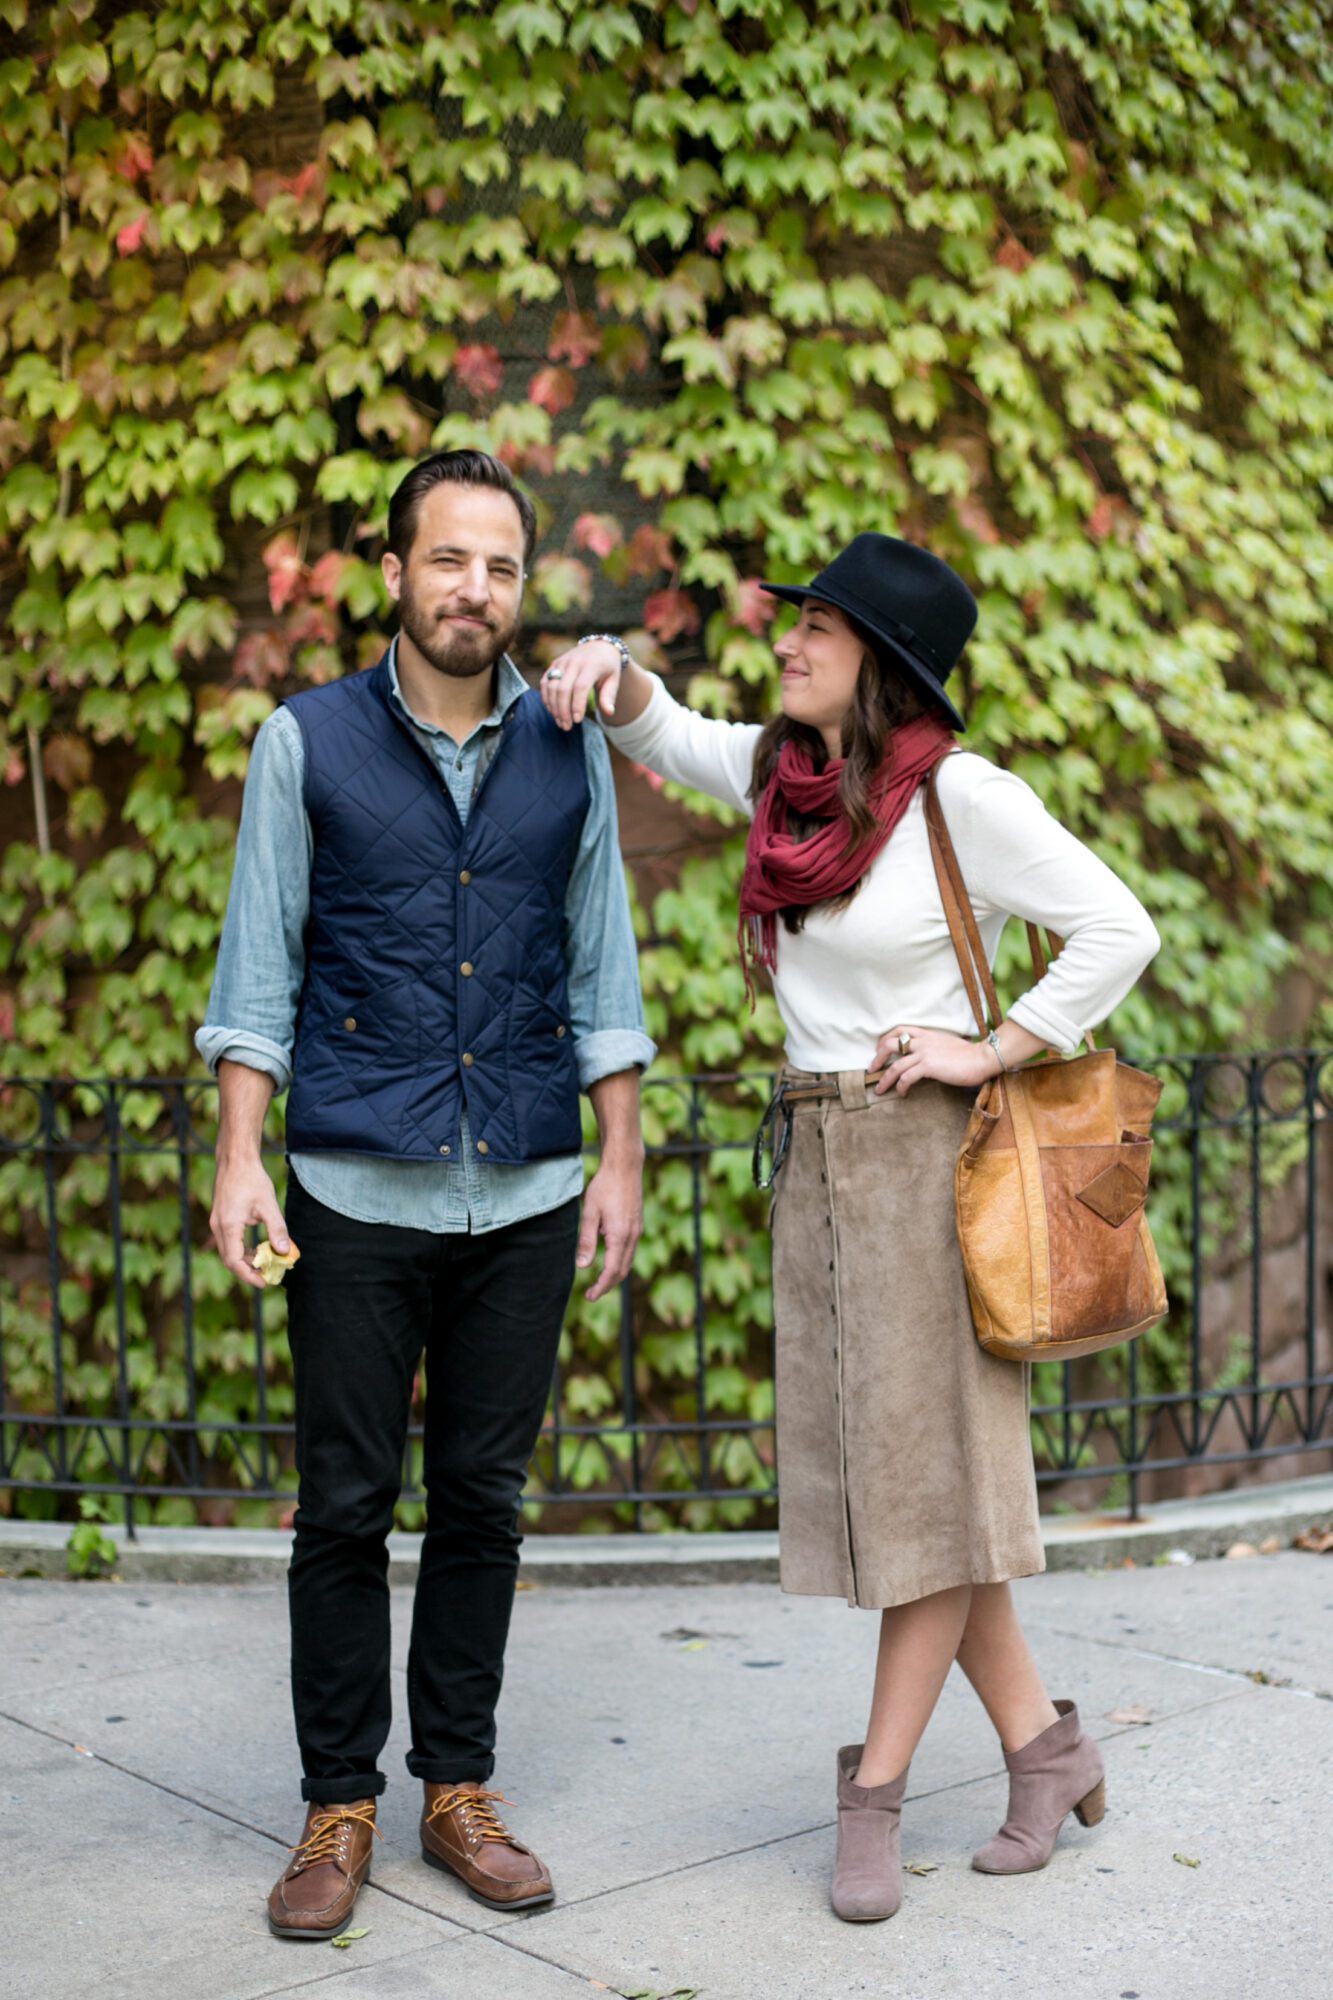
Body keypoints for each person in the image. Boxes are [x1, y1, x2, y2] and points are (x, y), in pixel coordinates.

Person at [540, 533, 1159, 1923]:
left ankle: (871, 1795)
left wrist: (985, 1048)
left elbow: (1117, 930)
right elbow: (671, 731)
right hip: (819, 1164)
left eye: (816, 627)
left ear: (878, 662)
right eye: (793, 621)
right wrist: (603, 669)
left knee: (920, 1497)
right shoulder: (786, 776)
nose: (785, 642)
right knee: (916, 1488)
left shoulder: (961, 798)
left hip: (927, 1170)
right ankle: (1046, 1754)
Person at [198, 448, 654, 1939]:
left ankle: (456, 1789)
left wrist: (619, 1160)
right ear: (391, 573)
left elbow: (601, 968)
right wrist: (237, 1156)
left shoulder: (566, 743)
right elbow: (257, 968)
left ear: (523, 586)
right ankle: (340, 1805)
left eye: (503, 566)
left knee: (482, 1504)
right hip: (349, 1182)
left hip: (521, 1181)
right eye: (449, 560)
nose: (476, 591)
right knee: (341, 1506)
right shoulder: (306, 743)